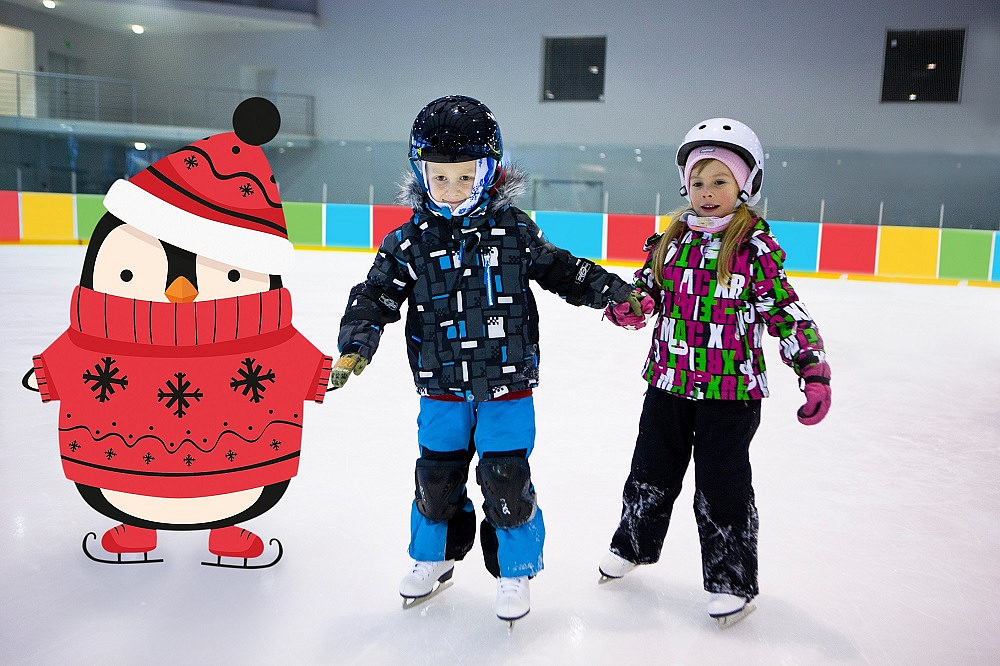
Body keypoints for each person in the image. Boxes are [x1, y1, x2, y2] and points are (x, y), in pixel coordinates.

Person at [330, 95, 641, 624]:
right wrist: (356, 344)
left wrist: (611, 291)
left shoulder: (514, 229)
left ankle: (515, 570)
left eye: (464, 176)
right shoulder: (408, 242)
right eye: (439, 177)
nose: (451, 189)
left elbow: (562, 270)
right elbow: (375, 294)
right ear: (421, 173)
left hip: (507, 381)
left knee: (505, 477)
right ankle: (435, 558)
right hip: (440, 383)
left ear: (489, 171)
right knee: (436, 478)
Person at [598, 118, 832, 626]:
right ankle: (633, 544)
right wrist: (631, 307)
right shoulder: (670, 240)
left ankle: (731, 579)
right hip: (668, 383)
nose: (706, 193)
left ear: (746, 185)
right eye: (698, 182)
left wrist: (812, 368)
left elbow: (784, 311)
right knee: (650, 471)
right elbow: (646, 291)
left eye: (719, 181)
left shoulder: (753, 249)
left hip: (731, 391)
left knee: (722, 484)